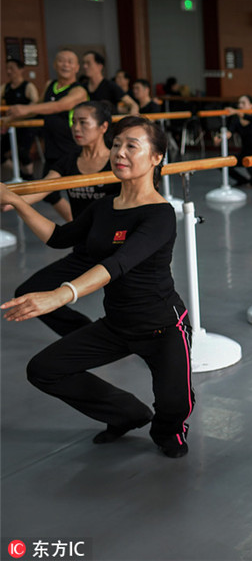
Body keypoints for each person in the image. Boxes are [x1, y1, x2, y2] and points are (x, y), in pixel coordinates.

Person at [0, 115, 195, 458]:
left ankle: (168, 430)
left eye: (131, 145)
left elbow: (117, 264)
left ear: (156, 157)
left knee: (174, 404)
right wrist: (17, 201)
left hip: (162, 326)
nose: (119, 152)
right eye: (116, 145)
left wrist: (60, 294)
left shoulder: (160, 214)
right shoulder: (104, 207)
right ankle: (126, 413)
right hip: (117, 324)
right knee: (44, 370)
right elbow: (59, 238)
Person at [8, 101, 121, 337]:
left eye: (83, 122)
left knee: (130, 307)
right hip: (85, 250)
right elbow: (39, 190)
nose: (76, 128)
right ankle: (88, 335)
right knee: (27, 292)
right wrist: (9, 199)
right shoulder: (68, 160)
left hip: (119, 249)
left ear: (103, 127)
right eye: (73, 122)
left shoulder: (117, 162)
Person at [5, 49, 89, 221]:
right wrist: (15, 115)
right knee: (50, 194)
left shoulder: (79, 90)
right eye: (61, 61)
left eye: (69, 61)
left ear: (76, 67)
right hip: (52, 150)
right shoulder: (50, 85)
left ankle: (83, 227)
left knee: (82, 195)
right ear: (54, 64)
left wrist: (25, 108)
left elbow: (59, 106)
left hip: (74, 150)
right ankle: (75, 226)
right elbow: (39, 106)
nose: (65, 64)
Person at [1, 58, 40, 177]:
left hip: (26, 125)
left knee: (22, 152)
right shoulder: (5, 87)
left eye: (12, 68)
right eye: (7, 68)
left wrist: (22, 112)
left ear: (21, 69)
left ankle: (29, 176)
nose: (9, 71)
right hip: (10, 125)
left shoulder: (28, 86)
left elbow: (36, 104)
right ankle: (20, 174)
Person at [81, 51, 139, 115]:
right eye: (84, 63)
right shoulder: (82, 87)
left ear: (99, 66)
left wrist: (132, 117)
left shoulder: (110, 86)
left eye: (88, 63)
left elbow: (133, 105)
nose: (85, 66)